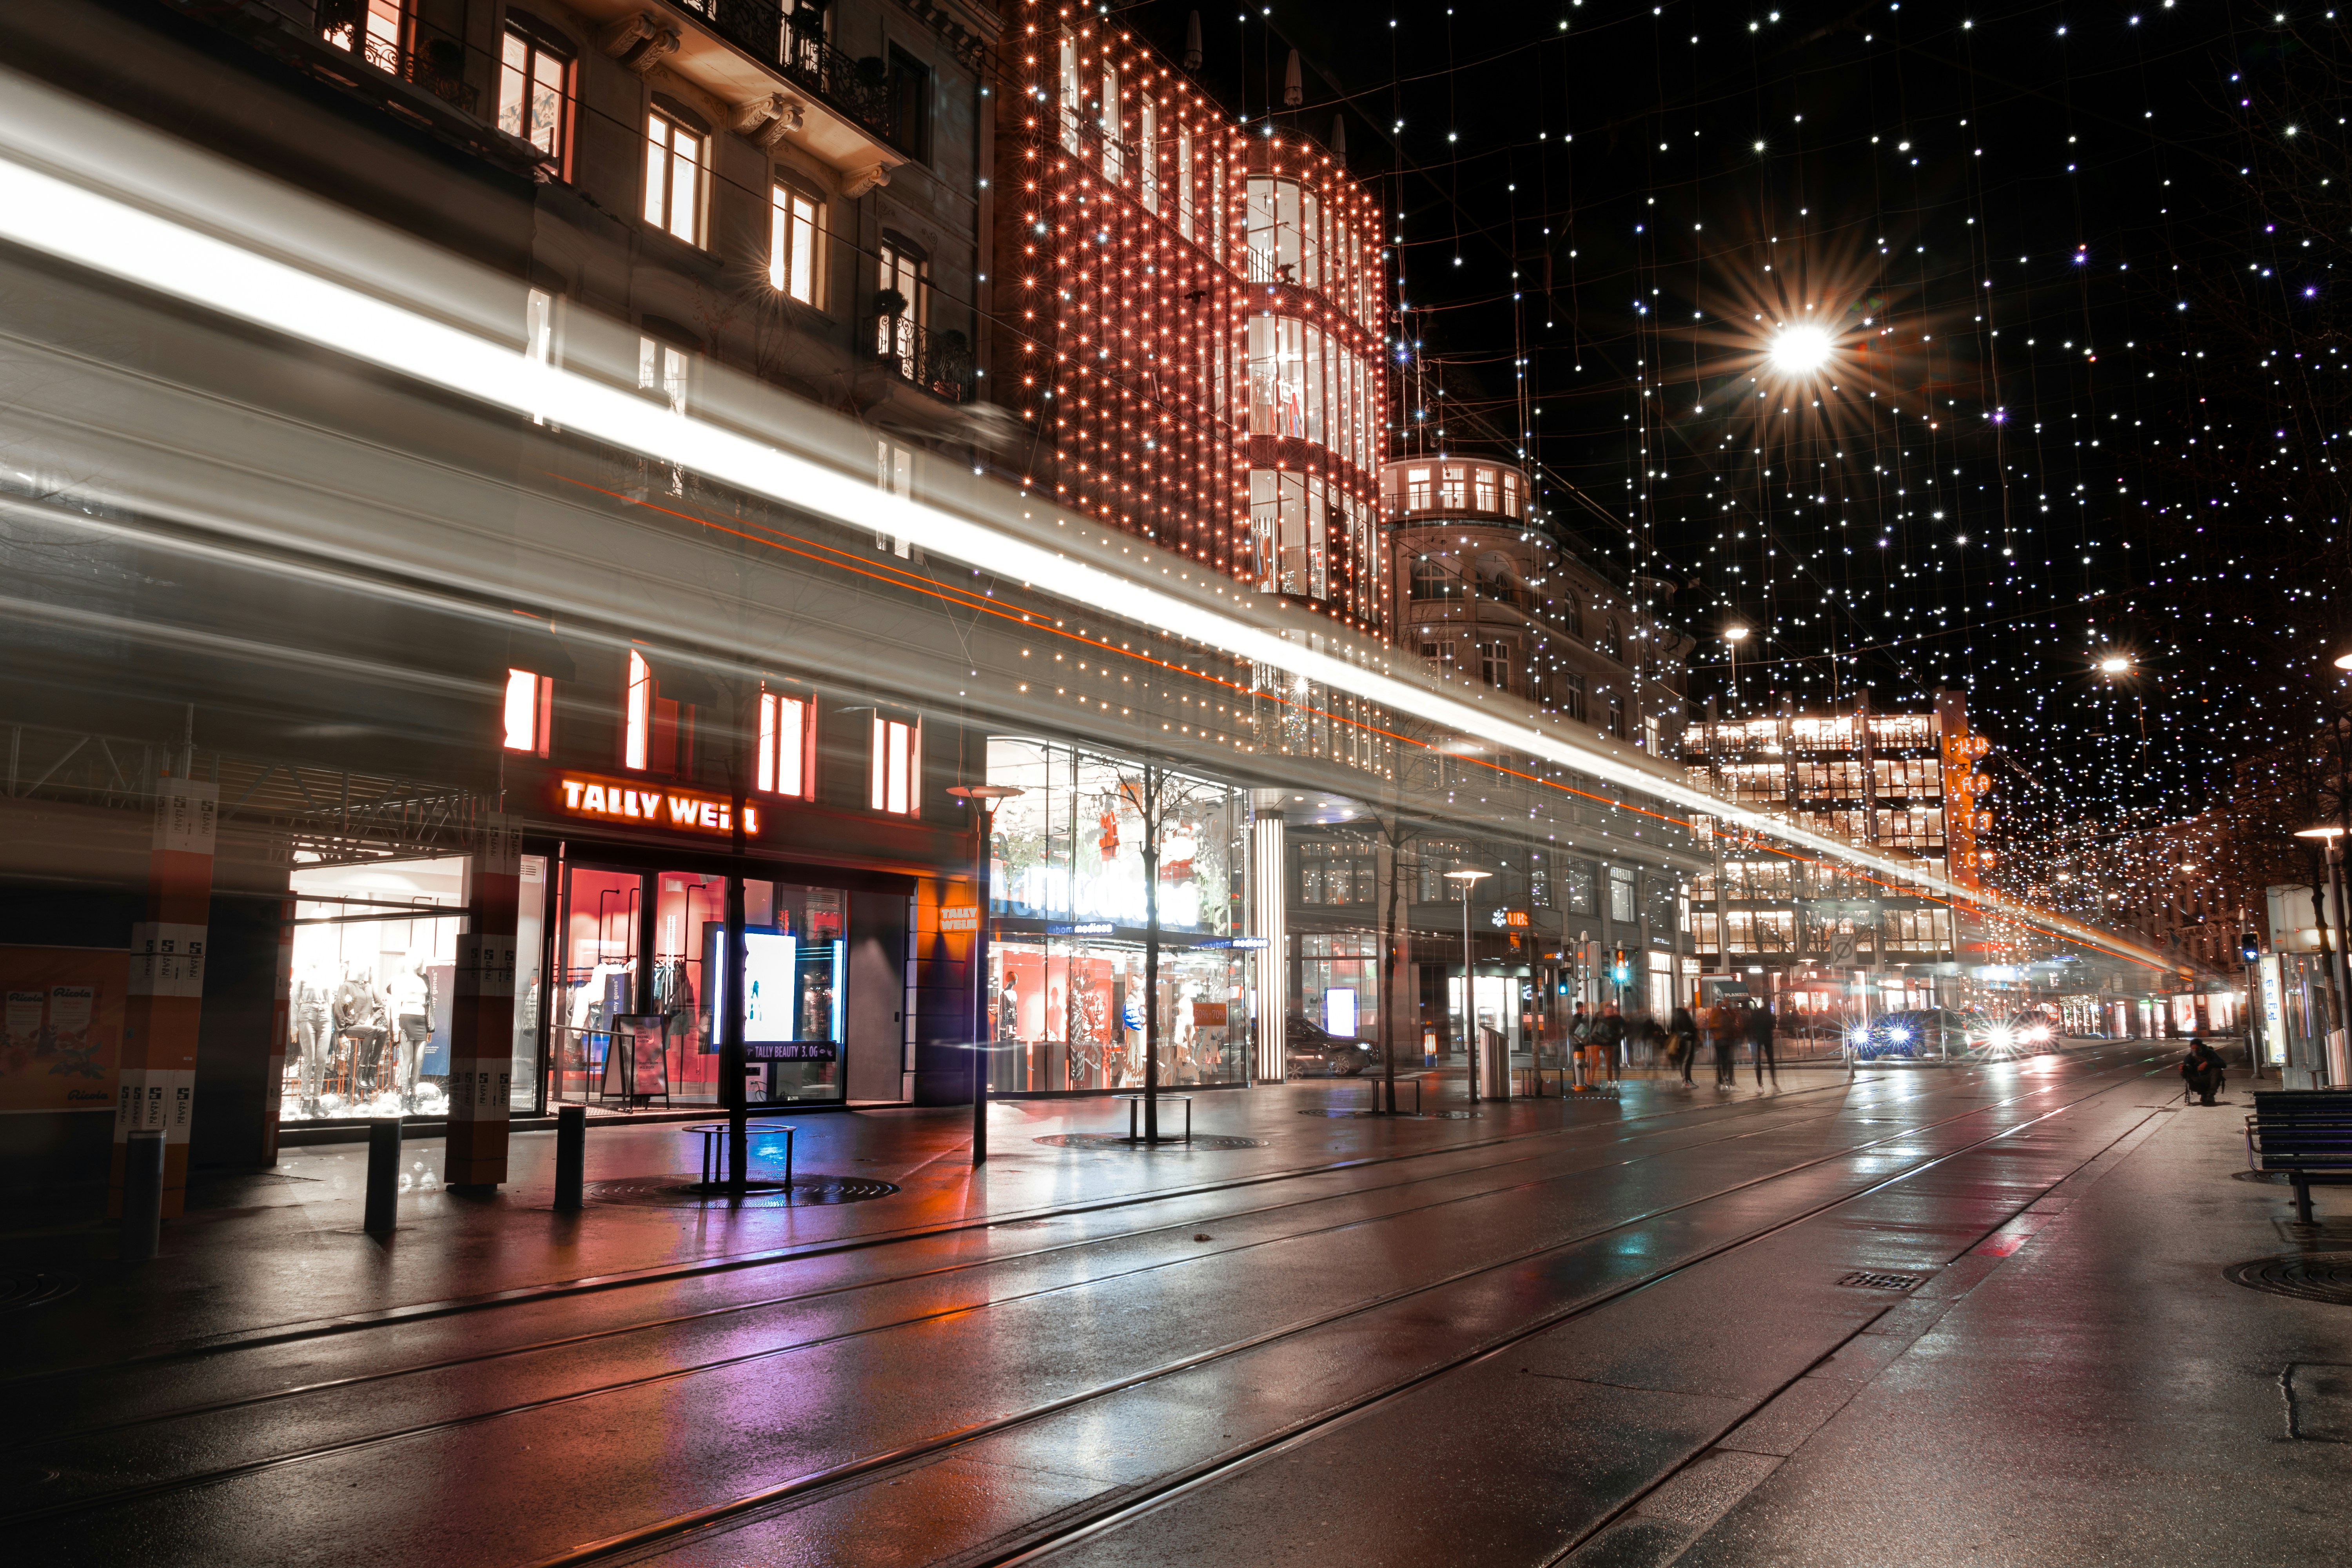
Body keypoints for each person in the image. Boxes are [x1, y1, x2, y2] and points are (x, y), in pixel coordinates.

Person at [2180, 1038, 2226, 1105]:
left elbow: (2223, 1064)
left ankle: (2210, 1094)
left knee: (2217, 1070)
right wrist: (2183, 1070)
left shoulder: (2210, 1053)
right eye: (2193, 1049)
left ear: (2201, 1048)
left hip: (2209, 1079)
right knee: (2187, 1074)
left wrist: (2207, 1063)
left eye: (2197, 1049)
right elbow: (2186, 1073)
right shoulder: (2189, 1057)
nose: (2195, 1051)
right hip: (2196, 1081)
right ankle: (2204, 1094)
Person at [1593, 1001, 1626, 1082]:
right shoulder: (1603, 1019)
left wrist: (1620, 1037)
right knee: (1609, 1063)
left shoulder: (1618, 1019)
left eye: (1610, 1009)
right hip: (1606, 1044)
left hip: (1614, 1044)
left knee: (1615, 1062)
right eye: (1607, 1009)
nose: (1608, 1011)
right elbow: (1597, 1030)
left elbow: (1626, 1029)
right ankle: (1610, 1081)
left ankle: (1616, 1081)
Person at [1748, 999, 1779, 1086]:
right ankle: (1773, 1082)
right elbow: (1771, 1025)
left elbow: (1752, 1027)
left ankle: (1760, 1084)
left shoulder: (1755, 1015)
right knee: (1771, 1061)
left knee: (1758, 1062)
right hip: (1767, 1039)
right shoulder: (1768, 1014)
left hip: (1757, 1040)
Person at [1668, 1004, 1699, 1083]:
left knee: (1687, 1061)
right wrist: (1694, 1031)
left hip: (1687, 1040)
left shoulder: (1680, 1016)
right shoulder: (1683, 1015)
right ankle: (1686, 1081)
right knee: (1686, 1061)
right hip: (1687, 1040)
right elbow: (1686, 1029)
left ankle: (1688, 1080)